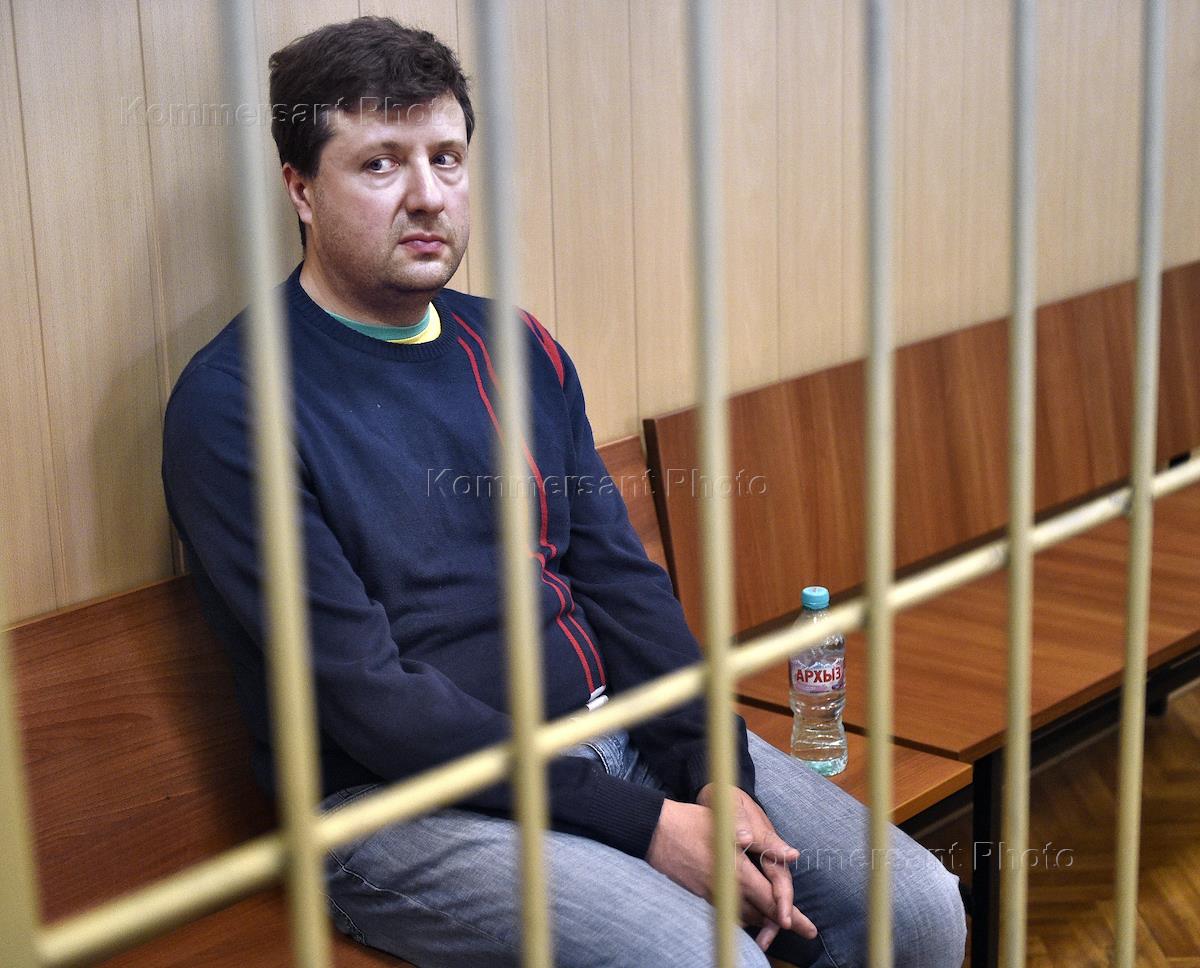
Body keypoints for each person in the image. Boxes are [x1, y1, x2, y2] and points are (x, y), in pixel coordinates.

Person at [162, 16, 966, 968]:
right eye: (379, 164)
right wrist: (642, 823)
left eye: (446, 158)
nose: (427, 195)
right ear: (301, 188)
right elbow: (364, 697)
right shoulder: (234, 405)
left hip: (609, 736)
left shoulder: (515, 346)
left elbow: (620, 584)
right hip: (399, 805)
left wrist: (711, 773)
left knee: (918, 908)